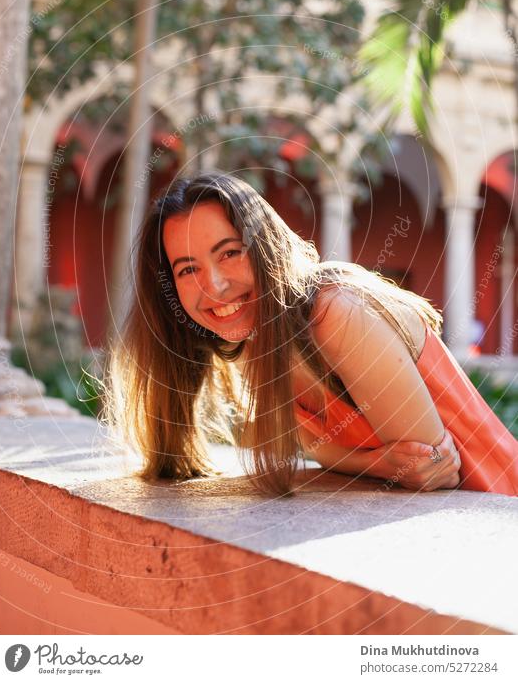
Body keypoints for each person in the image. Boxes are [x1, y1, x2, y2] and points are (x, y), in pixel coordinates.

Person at [104, 171, 518, 498]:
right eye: (188, 269)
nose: (214, 285)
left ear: (265, 248)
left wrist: (377, 463)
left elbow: (430, 469)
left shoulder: (334, 314)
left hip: (497, 519)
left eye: (230, 252)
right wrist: (375, 463)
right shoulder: (253, 343)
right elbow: (318, 447)